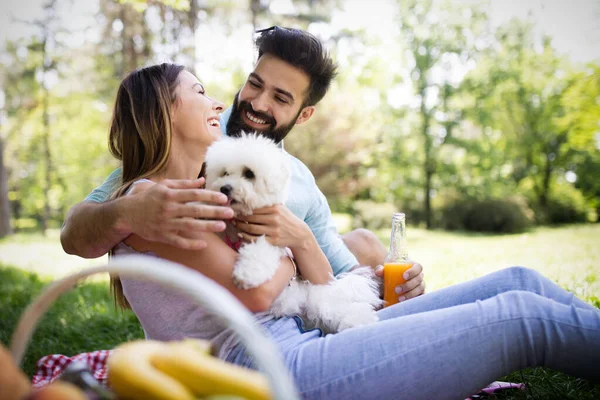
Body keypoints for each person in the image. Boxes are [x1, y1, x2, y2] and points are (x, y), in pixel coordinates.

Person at [107, 62, 599, 400]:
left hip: (303, 331)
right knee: (520, 318)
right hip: (268, 368)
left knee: (518, 280)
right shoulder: (149, 203)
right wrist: (286, 247)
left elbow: (304, 276)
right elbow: (257, 293)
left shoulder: (202, 191)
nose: (218, 101)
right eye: (198, 92)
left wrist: (293, 243)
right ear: (164, 110)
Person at [60, 27, 426, 304]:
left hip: (289, 303)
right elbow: (75, 232)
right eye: (255, 84)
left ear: (304, 114)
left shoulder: (298, 179)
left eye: (281, 98)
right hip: (229, 311)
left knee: (368, 247)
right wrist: (125, 213)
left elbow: (339, 277)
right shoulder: (197, 138)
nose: (257, 103)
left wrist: (395, 288)